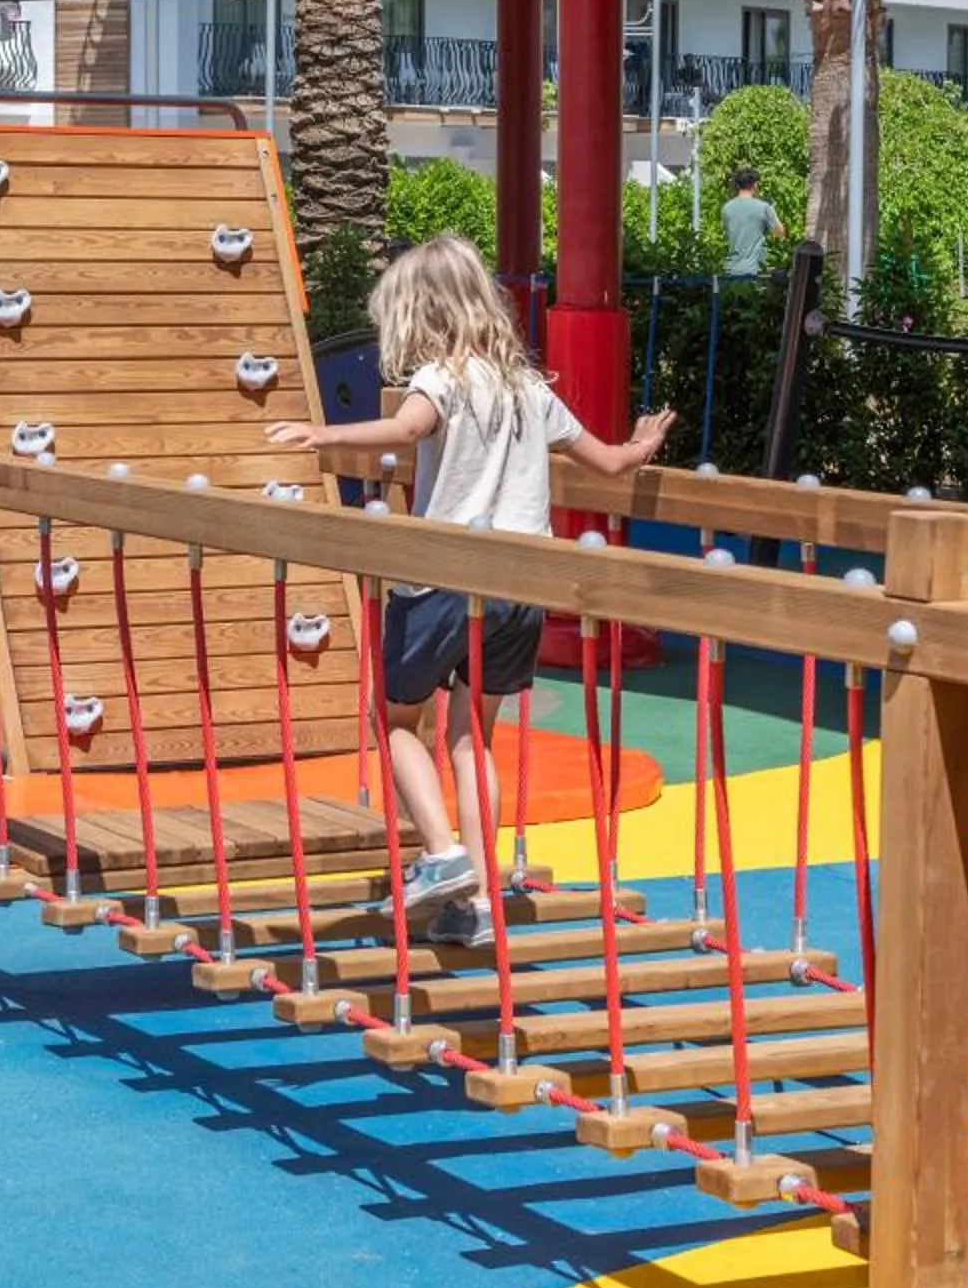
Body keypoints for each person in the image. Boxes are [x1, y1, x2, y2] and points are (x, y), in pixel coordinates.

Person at [268, 234, 673, 947]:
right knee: (471, 734)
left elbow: (403, 427)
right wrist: (643, 444)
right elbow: (610, 463)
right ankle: (479, 901)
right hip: (520, 584)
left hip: (443, 578)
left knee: (394, 719)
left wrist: (320, 437)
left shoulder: (442, 381)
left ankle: (442, 856)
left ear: (421, 314)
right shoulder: (529, 389)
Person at [719, 167, 783, 277]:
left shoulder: (726, 208)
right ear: (755, 185)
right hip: (754, 271)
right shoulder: (764, 207)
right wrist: (773, 212)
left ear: (738, 185)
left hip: (730, 270)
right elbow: (780, 234)